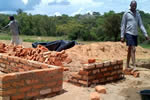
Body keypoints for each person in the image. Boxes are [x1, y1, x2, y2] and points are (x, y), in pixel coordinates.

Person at [121, 0, 149, 70]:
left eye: (135, 6)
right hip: (128, 33)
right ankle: (134, 66)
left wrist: (145, 34)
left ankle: (127, 65)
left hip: (135, 34)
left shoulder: (138, 14)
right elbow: (123, 25)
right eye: (133, 5)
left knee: (130, 49)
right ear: (130, 5)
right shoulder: (126, 13)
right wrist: (122, 36)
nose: (134, 7)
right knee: (133, 49)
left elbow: (141, 25)